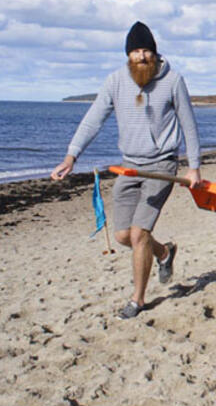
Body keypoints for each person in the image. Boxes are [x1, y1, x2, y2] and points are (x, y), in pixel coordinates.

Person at [51, 21, 201, 319]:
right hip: (129, 165)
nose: (141, 56)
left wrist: (194, 167)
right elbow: (93, 119)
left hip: (162, 165)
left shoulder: (173, 80)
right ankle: (164, 253)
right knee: (122, 235)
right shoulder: (116, 81)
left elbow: (188, 124)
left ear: (155, 53)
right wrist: (71, 157)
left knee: (139, 234)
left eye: (146, 50)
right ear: (127, 55)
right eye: (135, 51)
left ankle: (138, 299)